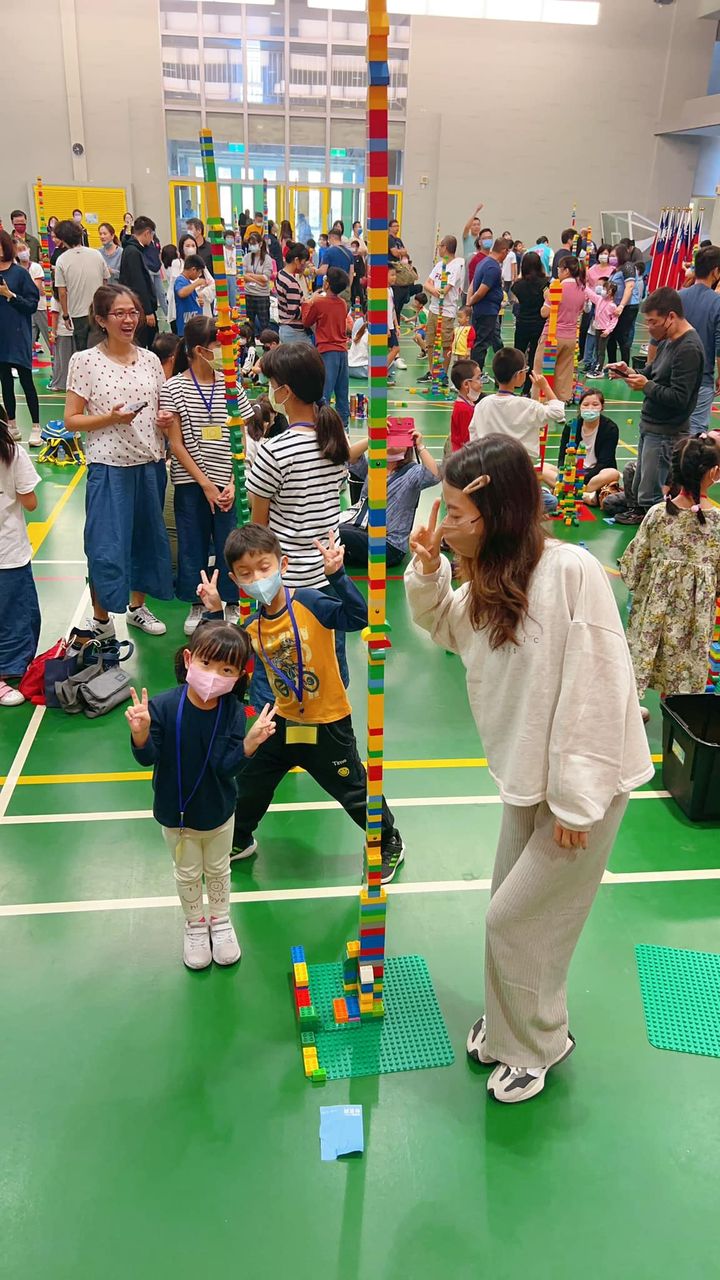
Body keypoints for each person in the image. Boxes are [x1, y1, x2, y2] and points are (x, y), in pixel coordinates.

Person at [405, 435, 653, 1103]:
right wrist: (429, 570)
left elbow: (598, 686)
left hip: (583, 787)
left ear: (500, 512)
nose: (447, 525)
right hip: (530, 777)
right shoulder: (491, 577)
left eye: (458, 514)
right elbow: (444, 627)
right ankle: (511, 1025)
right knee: (511, 912)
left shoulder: (569, 571)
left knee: (518, 921)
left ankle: (538, 1044)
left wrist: (578, 803)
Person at [197, 524, 405, 883]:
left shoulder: (309, 602)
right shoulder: (252, 626)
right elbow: (222, 656)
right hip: (279, 721)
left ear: (283, 564)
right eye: (246, 573)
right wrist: (215, 613)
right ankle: (240, 838)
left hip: (328, 723)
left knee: (354, 790)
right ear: (235, 580)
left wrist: (338, 577)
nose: (257, 578)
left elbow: (358, 617)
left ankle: (388, 839)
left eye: (264, 567)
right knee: (249, 785)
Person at [126, 621, 277, 969]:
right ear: (188, 659)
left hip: (219, 811)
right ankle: (195, 925)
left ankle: (220, 921)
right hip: (176, 814)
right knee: (188, 872)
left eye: (226, 670)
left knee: (219, 869)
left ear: (238, 676)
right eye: (206, 663)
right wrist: (141, 733)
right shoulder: (162, 707)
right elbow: (147, 758)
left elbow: (226, 768)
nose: (213, 676)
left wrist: (249, 744)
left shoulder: (233, 712)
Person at [64, 282, 174, 639]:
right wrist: (110, 418)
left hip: (150, 464)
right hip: (109, 467)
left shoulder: (151, 360)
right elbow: (71, 420)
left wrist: (165, 419)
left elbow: (161, 406)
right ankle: (100, 619)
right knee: (105, 546)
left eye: (133, 312)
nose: (129, 320)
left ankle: (137, 608)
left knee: (145, 541)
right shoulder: (85, 361)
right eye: (120, 314)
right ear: (101, 319)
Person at [247, 343, 365, 592]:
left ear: (285, 391)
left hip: (290, 584)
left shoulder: (274, 451)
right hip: (332, 574)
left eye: (271, 384)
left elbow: (260, 527)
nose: (270, 391)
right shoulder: (335, 440)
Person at [160, 315, 251, 634]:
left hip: (229, 483)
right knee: (192, 544)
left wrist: (232, 482)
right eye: (221, 346)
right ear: (201, 350)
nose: (229, 353)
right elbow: (176, 444)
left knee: (231, 544)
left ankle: (231, 600)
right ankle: (197, 602)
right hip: (192, 484)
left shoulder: (232, 385)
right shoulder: (173, 388)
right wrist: (206, 484)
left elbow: (242, 438)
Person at [620, 436, 720, 712]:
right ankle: (676, 713)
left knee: (643, 656)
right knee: (684, 664)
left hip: (655, 610)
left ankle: (629, 710)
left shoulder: (657, 514)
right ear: (714, 473)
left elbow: (633, 563)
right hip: (694, 617)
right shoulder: (717, 522)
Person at [614, 288, 706, 525]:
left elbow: (679, 398)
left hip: (667, 432)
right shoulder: (669, 340)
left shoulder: (688, 349)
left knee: (652, 495)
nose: (650, 327)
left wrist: (646, 386)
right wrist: (630, 372)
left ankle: (657, 536)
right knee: (640, 486)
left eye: (653, 321)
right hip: (651, 425)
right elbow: (653, 373)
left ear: (671, 317)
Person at [470, 347, 563, 509]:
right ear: (519, 375)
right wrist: (545, 387)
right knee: (550, 501)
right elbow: (558, 412)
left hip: (491, 475)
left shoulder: (483, 404)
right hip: (519, 475)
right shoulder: (527, 405)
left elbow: (473, 436)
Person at [341, 421, 440, 567]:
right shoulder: (375, 465)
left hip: (390, 546)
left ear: (408, 446)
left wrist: (420, 446)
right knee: (329, 527)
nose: (393, 440)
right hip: (363, 530)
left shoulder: (412, 473)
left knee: (339, 533)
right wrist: (373, 436)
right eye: (389, 435)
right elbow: (350, 456)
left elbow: (434, 476)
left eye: (399, 436)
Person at [0, 406, 41, 707]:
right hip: (8, 552)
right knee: (16, 615)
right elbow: (30, 502)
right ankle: (6, 673)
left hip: (8, 551)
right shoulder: (12, 454)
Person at [0, 229, 40, 445]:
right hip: (1, 337)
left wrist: (10, 295)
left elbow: (31, 305)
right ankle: (12, 424)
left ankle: (36, 425)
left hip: (18, 334)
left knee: (26, 381)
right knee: (5, 382)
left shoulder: (20, 274)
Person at [674, 245, 720, 435]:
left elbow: (656, 341)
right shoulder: (717, 303)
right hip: (702, 379)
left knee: (672, 430)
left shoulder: (676, 297)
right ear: (715, 271)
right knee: (695, 433)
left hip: (673, 377)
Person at [532, 255, 586, 403]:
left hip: (552, 336)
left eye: (559, 269)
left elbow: (544, 312)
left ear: (566, 270)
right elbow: (581, 310)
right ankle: (559, 405)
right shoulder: (582, 289)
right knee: (563, 376)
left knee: (542, 373)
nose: (558, 272)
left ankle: (540, 404)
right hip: (570, 337)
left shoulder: (557, 287)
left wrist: (546, 297)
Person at [550, 390, 620, 503]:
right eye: (586, 405)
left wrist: (581, 480)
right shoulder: (571, 426)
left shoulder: (610, 428)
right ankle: (585, 495)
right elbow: (562, 455)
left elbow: (604, 462)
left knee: (613, 473)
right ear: (580, 407)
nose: (590, 408)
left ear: (602, 407)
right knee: (541, 468)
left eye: (595, 404)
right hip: (572, 471)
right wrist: (564, 474)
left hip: (595, 474)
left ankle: (569, 491)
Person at [301, 268, 350, 430]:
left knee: (324, 392)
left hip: (327, 351)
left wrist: (306, 303)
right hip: (342, 351)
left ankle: (323, 426)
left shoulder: (319, 302)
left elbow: (307, 321)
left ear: (327, 284)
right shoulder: (343, 303)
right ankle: (344, 426)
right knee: (342, 392)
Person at [54, 218, 109, 352]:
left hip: (78, 314)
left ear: (63, 239)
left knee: (83, 352)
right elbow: (105, 282)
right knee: (102, 349)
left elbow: (62, 292)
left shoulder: (61, 260)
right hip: (97, 310)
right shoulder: (96, 254)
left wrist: (65, 315)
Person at [420, 236, 466, 381]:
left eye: (440, 246)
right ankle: (432, 372)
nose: (438, 248)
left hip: (446, 311)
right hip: (433, 309)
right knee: (430, 342)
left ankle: (443, 374)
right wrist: (435, 291)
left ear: (445, 247)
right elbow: (426, 284)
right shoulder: (439, 265)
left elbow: (444, 291)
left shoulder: (456, 266)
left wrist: (434, 290)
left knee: (445, 344)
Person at [467, 238, 509, 376]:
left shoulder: (483, 262)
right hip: (487, 311)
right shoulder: (493, 267)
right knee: (482, 344)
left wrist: (470, 302)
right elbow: (481, 291)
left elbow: (473, 284)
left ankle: (475, 374)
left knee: (481, 342)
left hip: (483, 310)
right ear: (503, 251)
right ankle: (475, 375)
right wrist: (470, 302)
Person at [118, 215, 159, 349]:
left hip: (138, 307)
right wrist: (147, 311)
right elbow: (138, 283)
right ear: (147, 233)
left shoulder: (133, 250)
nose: (152, 239)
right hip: (140, 309)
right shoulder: (133, 252)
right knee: (144, 344)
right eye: (152, 235)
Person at [510, 250, 547, 397]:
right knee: (533, 358)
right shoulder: (545, 284)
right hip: (539, 324)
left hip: (522, 324)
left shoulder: (518, 285)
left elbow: (515, 292)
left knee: (518, 355)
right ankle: (527, 389)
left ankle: (513, 383)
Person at [16, 242, 50, 377]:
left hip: (40, 307)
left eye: (24, 249)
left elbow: (37, 290)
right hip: (25, 309)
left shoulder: (36, 267)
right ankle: (22, 368)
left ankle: (57, 368)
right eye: (19, 250)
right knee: (26, 340)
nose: (23, 252)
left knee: (49, 338)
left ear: (29, 250)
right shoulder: (16, 268)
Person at [606, 243, 641, 366]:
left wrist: (621, 306)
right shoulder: (615, 270)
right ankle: (612, 365)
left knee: (623, 337)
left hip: (628, 307)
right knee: (611, 336)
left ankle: (624, 366)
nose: (611, 258)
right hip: (615, 306)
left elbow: (629, 287)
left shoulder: (628, 267)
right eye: (610, 256)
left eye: (613, 255)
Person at [276, 242, 312, 345]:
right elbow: (294, 313)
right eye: (304, 263)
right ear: (296, 260)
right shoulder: (291, 283)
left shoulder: (281, 274)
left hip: (285, 327)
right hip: (294, 332)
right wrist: (310, 302)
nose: (304, 266)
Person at [586, 278, 620, 378]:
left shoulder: (612, 306)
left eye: (605, 289)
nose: (603, 291)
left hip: (604, 330)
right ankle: (596, 366)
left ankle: (599, 370)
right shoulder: (600, 300)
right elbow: (591, 294)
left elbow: (614, 320)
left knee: (601, 351)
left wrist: (608, 330)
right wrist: (584, 286)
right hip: (597, 328)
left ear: (610, 292)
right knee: (597, 349)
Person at [242, 232, 274, 335]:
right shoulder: (246, 257)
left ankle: (266, 342)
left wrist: (250, 275)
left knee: (264, 324)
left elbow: (265, 278)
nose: (252, 246)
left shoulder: (267, 259)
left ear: (260, 244)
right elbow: (242, 275)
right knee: (248, 324)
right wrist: (257, 280)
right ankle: (250, 342)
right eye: (250, 244)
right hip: (248, 294)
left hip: (262, 295)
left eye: (254, 243)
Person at [449, 359, 483, 451]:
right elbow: (468, 441)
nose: (481, 383)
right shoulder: (464, 409)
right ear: (466, 384)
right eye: (478, 378)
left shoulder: (467, 404)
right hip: (464, 455)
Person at [317, 229, 353, 304]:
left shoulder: (328, 252)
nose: (328, 242)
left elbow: (323, 271)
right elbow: (351, 273)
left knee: (332, 309)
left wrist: (314, 270)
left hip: (333, 290)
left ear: (332, 237)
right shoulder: (349, 253)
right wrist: (348, 287)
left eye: (329, 239)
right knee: (344, 309)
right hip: (345, 288)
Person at [173, 253, 205, 337]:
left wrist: (199, 302)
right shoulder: (180, 280)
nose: (199, 276)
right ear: (193, 269)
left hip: (193, 325)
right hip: (186, 326)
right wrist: (197, 283)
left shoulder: (188, 282)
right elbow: (181, 293)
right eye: (199, 272)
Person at [449, 305, 475, 378]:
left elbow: (470, 340)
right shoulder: (457, 328)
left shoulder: (469, 329)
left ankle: (465, 378)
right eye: (458, 317)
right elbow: (454, 339)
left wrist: (468, 350)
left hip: (463, 352)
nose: (458, 319)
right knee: (456, 365)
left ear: (467, 318)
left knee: (463, 366)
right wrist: (451, 349)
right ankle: (457, 378)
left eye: (460, 317)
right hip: (456, 351)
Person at [462, 205, 485, 271]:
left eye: (478, 224)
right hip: (467, 267)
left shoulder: (481, 240)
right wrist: (476, 211)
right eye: (474, 225)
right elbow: (466, 227)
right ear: (470, 227)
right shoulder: (466, 237)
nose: (476, 227)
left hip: (479, 267)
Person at [348, 309, 369, 381]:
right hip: (362, 369)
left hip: (349, 367)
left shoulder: (359, 331)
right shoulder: (372, 336)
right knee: (392, 363)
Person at [350, 239, 367, 311]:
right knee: (352, 292)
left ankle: (361, 307)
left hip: (358, 277)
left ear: (357, 247)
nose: (353, 248)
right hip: (351, 277)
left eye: (354, 246)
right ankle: (352, 306)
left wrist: (362, 276)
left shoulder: (359, 257)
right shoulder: (350, 257)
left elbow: (362, 268)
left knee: (359, 292)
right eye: (352, 246)